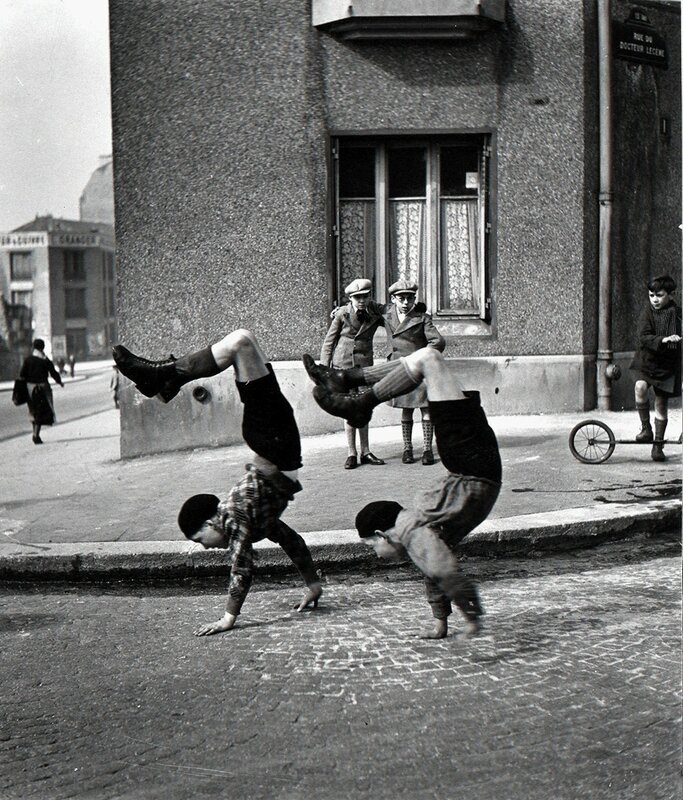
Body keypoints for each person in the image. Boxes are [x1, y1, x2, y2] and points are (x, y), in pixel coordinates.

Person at [112, 329, 323, 635]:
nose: (206, 549)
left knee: (240, 342)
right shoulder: (255, 519)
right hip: (276, 441)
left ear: (212, 522)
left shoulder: (236, 517)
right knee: (243, 342)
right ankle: (166, 381)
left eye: (200, 540)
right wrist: (313, 584)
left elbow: (241, 569)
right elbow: (293, 541)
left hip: (274, 441)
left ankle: (164, 379)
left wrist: (228, 618)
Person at [303, 346, 501, 639]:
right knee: (428, 359)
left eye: (372, 546)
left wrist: (470, 617)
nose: (376, 554)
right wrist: (442, 622)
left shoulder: (410, 529)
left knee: (428, 359)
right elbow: (434, 570)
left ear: (384, 534)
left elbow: (442, 570)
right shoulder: (417, 531)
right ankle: (348, 382)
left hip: (472, 462)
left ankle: (355, 396)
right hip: (470, 460)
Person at [320, 278, 386, 469]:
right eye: (357, 298)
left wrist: (418, 310)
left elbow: (393, 313)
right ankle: (351, 453)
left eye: (365, 296)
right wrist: (324, 369)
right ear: (350, 298)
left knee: (364, 408)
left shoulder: (374, 313)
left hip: (364, 367)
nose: (362, 301)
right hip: (344, 366)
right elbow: (328, 342)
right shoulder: (342, 314)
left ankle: (365, 451)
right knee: (349, 409)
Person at [383, 279, 445, 465]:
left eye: (410, 299)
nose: (405, 303)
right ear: (393, 299)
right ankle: (407, 449)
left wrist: (423, 356)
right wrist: (341, 310)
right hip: (399, 369)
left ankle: (427, 449)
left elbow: (438, 342)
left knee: (426, 408)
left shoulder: (422, 318)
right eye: (401, 299)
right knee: (406, 409)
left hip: (419, 369)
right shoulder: (387, 314)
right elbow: (366, 307)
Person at [629, 274, 681, 461]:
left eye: (659, 295)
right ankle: (646, 429)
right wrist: (664, 340)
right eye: (651, 295)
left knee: (661, 403)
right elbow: (643, 336)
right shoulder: (648, 312)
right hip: (647, 361)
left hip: (666, 366)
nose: (655, 300)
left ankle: (658, 445)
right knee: (640, 387)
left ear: (670, 295)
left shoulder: (677, 313)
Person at [19, 338, 64, 444]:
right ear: (43, 348)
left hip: (30, 388)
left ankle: (35, 434)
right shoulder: (45, 360)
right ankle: (36, 435)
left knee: (34, 411)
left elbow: (22, 375)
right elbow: (53, 373)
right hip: (43, 388)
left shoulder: (28, 359)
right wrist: (60, 382)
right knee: (42, 411)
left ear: (34, 347)